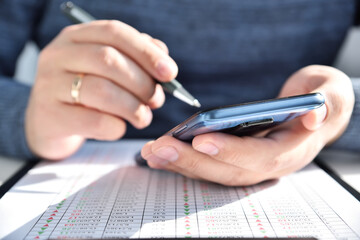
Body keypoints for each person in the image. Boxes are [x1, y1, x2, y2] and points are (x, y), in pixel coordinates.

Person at [0, 0, 359, 186]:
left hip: (318, 174)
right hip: (78, 166)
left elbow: (340, 103)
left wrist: (342, 112)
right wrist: (26, 117)